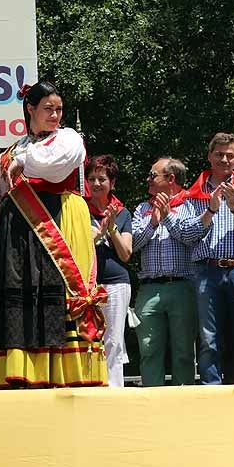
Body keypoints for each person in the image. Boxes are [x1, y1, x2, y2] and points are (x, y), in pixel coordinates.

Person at [0, 81, 107, 389]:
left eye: (58, 109)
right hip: (18, 226)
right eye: (48, 109)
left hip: (59, 216)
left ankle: (68, 371)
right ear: (31, 109)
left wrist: (22, 161)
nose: (54, 115)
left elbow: (51, 167)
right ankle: (23, 367)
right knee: (22, 287)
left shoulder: (67, 139)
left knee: (60, 285)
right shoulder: (17, 146)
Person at [179, 132, 234, 385]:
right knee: (208, 338)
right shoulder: (194, 193)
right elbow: (187, 234)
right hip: (208, 271)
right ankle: (210, 392)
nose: (225, 160)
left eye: (230, 155)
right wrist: (212, 209)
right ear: (209, 156)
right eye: (219, 155)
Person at [131, 157, 197, 386]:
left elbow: (191, 239)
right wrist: (153, 224)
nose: (147, 180)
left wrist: (167, 217)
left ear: (170, 179)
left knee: (184, 352)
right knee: (148, 350)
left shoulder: (191, 206)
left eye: (152, 175)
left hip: (182, 286)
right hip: (149, 287)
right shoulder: (142, 209)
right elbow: (132, 246)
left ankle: (185, 402)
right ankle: (152, 401)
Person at [85, 154, 133, 387]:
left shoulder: (122, 213)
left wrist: (111, 228)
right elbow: (80, 243)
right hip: (85, 285)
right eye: (91, 178)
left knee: (113, 340)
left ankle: (114, 390)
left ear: (112, 183)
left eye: (101, 179)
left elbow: (126, 253)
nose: (95, 184)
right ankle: (91, 385)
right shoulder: (78, 209)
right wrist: (100, 231)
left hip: (115, 284)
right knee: (88, 340)